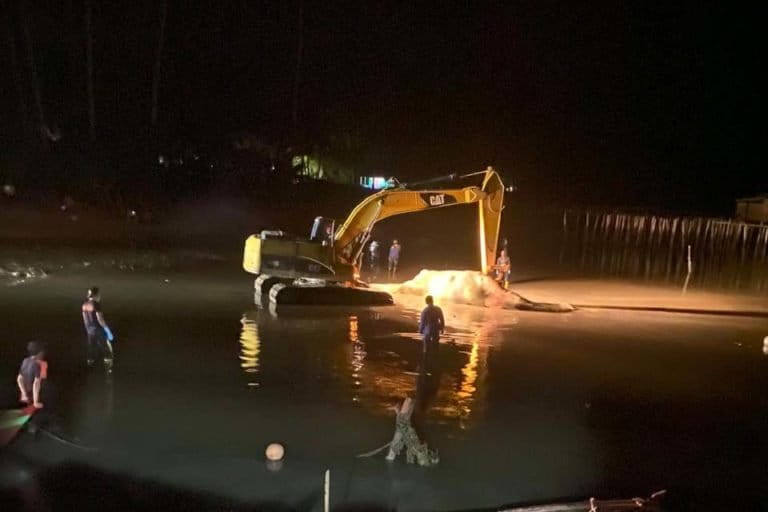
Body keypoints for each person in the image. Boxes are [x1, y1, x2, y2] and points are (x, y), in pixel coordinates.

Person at [82, 286, 115, 371]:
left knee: (91, 351)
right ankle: (108, 369)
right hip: (98, 330)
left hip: (89, 331)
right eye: (99, 295)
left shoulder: (84, 305)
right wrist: (107, 330)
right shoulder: (96, 304)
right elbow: (100, 319)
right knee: (107, 350)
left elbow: (85, 320)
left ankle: (89, 368)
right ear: (96, 295)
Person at [17, 341, 47, 409]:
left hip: (27, 395)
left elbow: (19, 379)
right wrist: (36, 402)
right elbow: (36, 383)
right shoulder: (41, 364)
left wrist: (24, 394)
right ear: (40, 353)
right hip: (35, 396)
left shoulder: (25, 361)